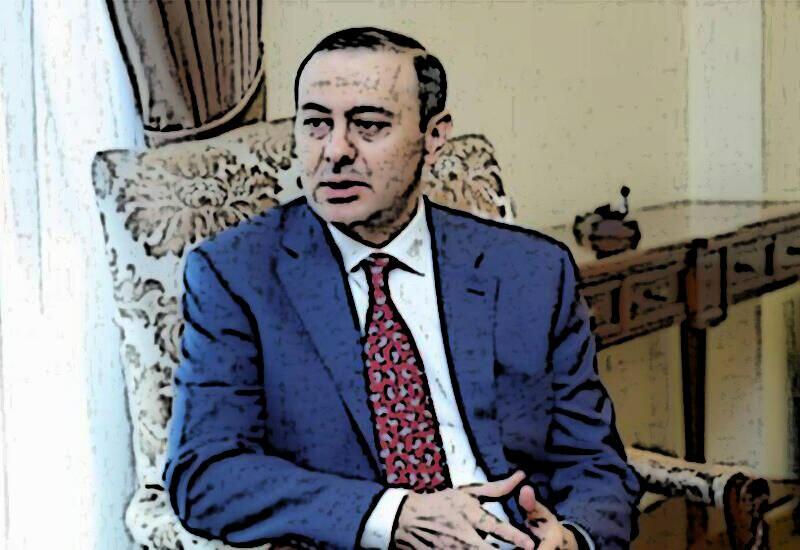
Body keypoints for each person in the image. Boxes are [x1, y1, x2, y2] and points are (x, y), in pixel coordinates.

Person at [164, 27, 640, 550]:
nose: (335, 151)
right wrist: (393, 516)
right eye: (316, 124)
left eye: (368, 125)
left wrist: (572, 538)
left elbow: (594, 461)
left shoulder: (531, 271)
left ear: (434, 136)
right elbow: (205, 475)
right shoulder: (238, 274)